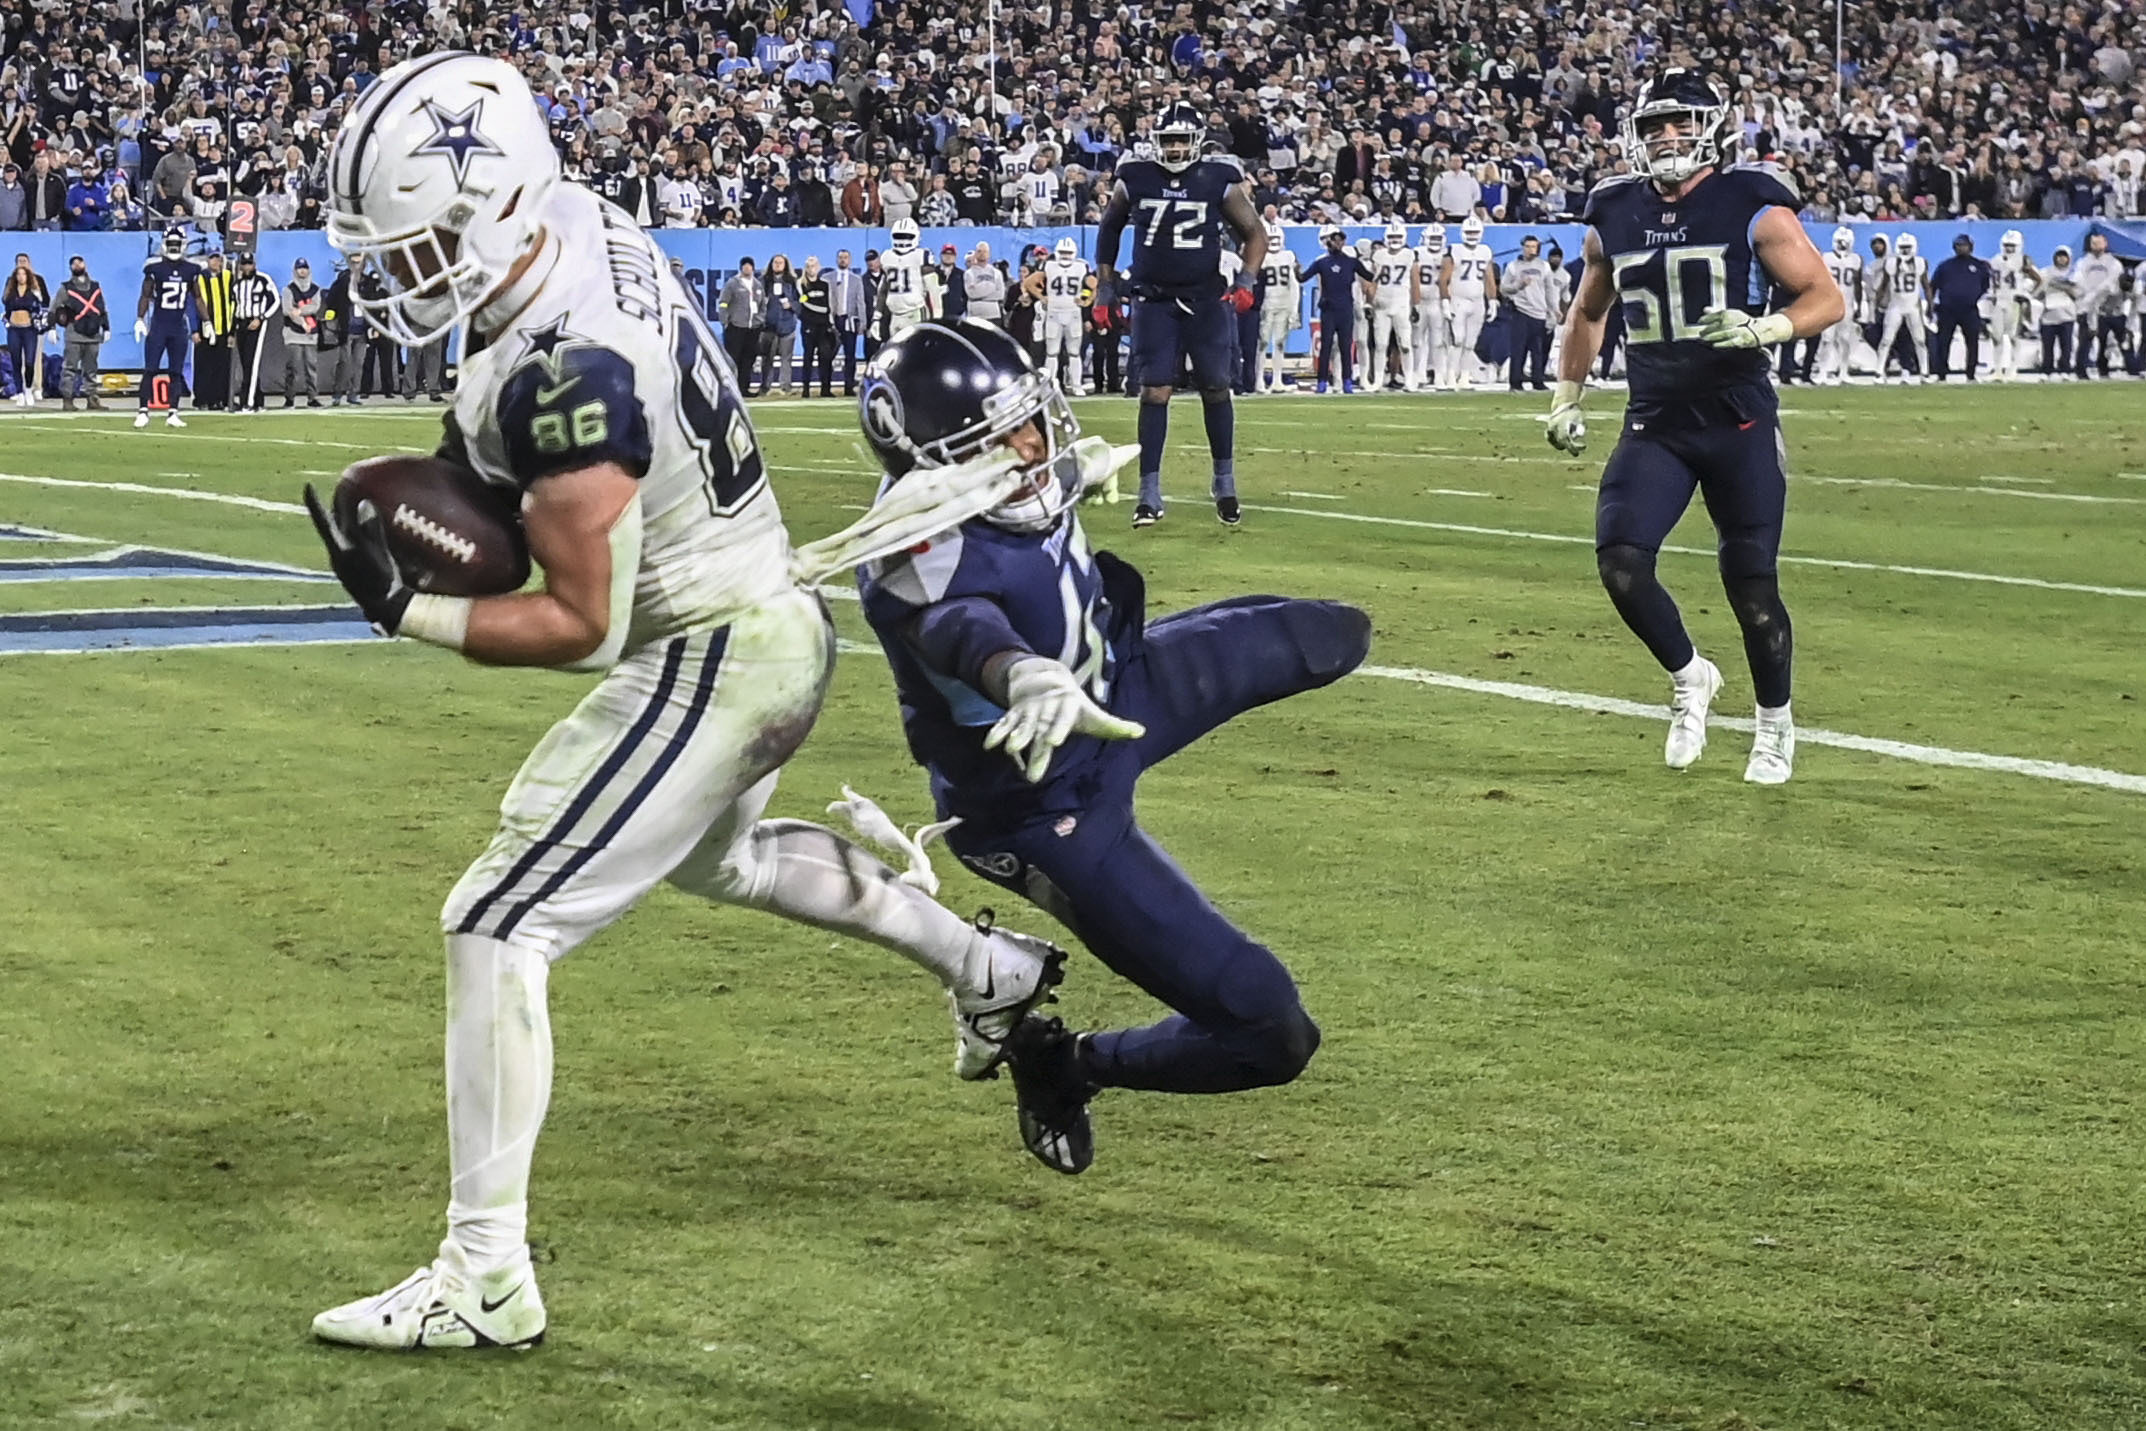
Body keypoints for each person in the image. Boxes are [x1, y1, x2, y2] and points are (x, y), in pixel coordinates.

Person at [303, 53, 1065, 1353]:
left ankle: (482, 1273)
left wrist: (408, 605)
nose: (404, 272)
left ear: (492, 209)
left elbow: (579, 621)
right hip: (764, 612)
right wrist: (463, 475)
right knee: (735, 861)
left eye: (423, 242)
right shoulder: (583, 222)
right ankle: (989, 966)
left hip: (712, 643)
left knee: (495, 918)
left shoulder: (571, 371)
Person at [853, 320, 1372, 1174]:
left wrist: (1069, 469)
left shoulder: (1005, 477)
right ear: (940, 468)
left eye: (1033, 421)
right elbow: (960, 628)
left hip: (1118, 692)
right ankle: (1069, 1062)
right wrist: (1019, 674)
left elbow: (1034, 496)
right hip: (1043, 805)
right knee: (1272, 1030)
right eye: (1004, 438)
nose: (1034, 443)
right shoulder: (915, 555)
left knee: (1331, 636)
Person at [1545, 69, 1843, 786]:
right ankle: (1690, 676)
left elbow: (1824, 297)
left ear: (1713, 128)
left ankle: (1775, 724)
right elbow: (1589, 311)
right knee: (1621, 560)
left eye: (1681, 124)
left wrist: (1770, 325)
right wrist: (1566, 394)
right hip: (1656, 419)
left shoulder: (1752, 203)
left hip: (1736, 417)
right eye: (1655, 127)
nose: (1668, 138)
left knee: (1750, 585)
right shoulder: (1613, 209)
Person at [1094, 101, 1264, 529]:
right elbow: (1109, 228)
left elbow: (1254, 232)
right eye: (1166, 141)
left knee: (1216, 386)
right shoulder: (1134, 177)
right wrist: (1105, 286)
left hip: (1205, 299)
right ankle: (1150, 492)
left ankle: (1224, 483)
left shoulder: (1217, 178)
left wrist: (1245, 281)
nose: (1172, 149)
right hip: (1154, 299)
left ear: (1196, 142)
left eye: (1179, 141)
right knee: (1155, 391)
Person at [135, 230, 198, 428]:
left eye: (176, 243)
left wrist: (204, 322)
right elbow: (145, 295)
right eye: (170, 243)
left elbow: (197, 298)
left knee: (176, 372)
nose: (173, 247)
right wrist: (139, 318)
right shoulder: (155, 269)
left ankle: (173, 412)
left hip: (178, 326)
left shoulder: (191, 269)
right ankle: (143, 410)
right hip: (159, 325)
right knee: (151, 369)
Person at [1301, 225, 1369, 394]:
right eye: (1334, 241)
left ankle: (1347, 381)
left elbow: (1369, 276)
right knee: (1326, 347)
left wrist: (1381, 270)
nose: (1337, 244)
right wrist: (1295, 268)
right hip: (1329, 309)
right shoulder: (1322, 262)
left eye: (1340, 241)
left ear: (1344, 242)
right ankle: (1322, 382)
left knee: (1346, 347)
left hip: (1345, 308)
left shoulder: (1351, 261)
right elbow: (1303, 277)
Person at [1441, 216, 1498, 388]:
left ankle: (1464, 376)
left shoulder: (1485, 251)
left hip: (1477, 300)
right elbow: (1443, 279)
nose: (1472, 235)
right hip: (1458, 299)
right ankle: (1451, 375)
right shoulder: (1454, 250)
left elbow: (1489, 278)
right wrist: (1445, 300)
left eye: (1475, 232)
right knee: (1457, 339)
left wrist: (1493, 300)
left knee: (1470, 342)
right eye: (1469, 232)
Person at [46, 254, 108, 411]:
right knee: (69, 369)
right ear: (70, 268)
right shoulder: (66, 288)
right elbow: (54, 309)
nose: (77, 266)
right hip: (74, 333)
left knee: (91, 369)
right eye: (74, 264)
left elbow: (101, 308)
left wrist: (106, 327)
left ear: (85, 265)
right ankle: (68, 399)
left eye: (79, 263)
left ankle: (92, 399)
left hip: (93, 334)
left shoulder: (95, 287)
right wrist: (52, 328)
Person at [1366, 223, 1420, 392]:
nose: (1394, 240)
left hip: (1401, 303)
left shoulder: (1409, 255)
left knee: (1405, 344)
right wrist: (1369, 301)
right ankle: (1378, 380)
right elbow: (1373, 280)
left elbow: (1414, 281)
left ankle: (1410, 379)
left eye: (1397, 237)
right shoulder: (1379, 256)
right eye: (1391, 237)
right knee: (1380, 345)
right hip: (1381, 304)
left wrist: (1416, 305)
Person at [1929, 234, 1990, 380]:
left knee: (1972, 341)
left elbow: (1985, 286)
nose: (1960, 248)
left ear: (1970, 247)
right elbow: (1933, 286)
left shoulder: (1979, 266)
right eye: (1958, 246)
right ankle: (1941, 373)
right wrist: (1931, 305)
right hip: (1947, 309)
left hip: (1969, 309)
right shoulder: (1945, 266)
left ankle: (1971, 373)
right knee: (1943, 341)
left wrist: (1974, 298)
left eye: (1963, 245)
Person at [229, 253, 281, 411]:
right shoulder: (236, 284)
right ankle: (257, 400)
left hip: (257, 322)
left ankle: (248, 402)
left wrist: (261, 318)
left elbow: (275, 301)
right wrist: (232, 332)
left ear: (254, 264)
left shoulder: (263, 280)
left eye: (249, 264)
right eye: (244, 264)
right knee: (246, 364)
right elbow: (234, 308)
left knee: (252, 362)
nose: (246, 267)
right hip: (241, 322)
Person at [1501, 234, 1552, 392]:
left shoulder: (1544, 266)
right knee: (1518, 349)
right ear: (1522, 247)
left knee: (1538, 350)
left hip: (1539, 311)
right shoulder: (1513, 266)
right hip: (1521, 311)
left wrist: (1553, 311)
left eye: (1534, 246)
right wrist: (1517, 286)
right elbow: (1503, 288)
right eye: (1528, 246)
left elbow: (1550, 290)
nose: (1531, 250)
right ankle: (1515, 382)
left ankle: (1538, 380)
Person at [1875, 234, 1929, 383]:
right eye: (1902, 248)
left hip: (1913, 307)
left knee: (1920, 340)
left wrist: (1930, 305)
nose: (1905, 251)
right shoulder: (1890, 263)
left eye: (1907, 248)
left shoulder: (1920, 263)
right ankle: (1879, 372)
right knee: (1886, 340)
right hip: (1895, 306)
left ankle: (1924, 372)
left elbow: (1926, 286)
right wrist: (1877, 304)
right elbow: (1883, 286)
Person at [1040, 236, 1090, 395]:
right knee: (1052, 352)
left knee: (1074, 352)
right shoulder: (1048, 266)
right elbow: (1032, 282)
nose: (1065, 256)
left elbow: (1091, 284)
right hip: (1054, 311)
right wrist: (1041, 296)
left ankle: (1076, 385)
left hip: (1073, 311)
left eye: (1068, 252)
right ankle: (1049, 386)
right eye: (1062, 252)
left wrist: (1084, 298)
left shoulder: (1081, 267)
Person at [1257, 220, 1302, 393]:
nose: (1274, 240)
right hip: (1267, 303)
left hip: (1283, 302)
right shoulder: (1262, 256)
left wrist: (1294, 309)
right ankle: (1259, 379)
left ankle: (1277, 379)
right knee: (1263, 343)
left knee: (1280, 343)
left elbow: (1294, 283)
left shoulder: (1288, 256)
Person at [1815, 228, 1864, 384]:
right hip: (1829, 303)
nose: (1842, 245)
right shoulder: (1826, 258)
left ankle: (1843, 371)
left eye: (1845, 243)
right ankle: (1823, 371)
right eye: (1840, 242)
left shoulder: (1856, 259)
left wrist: (1859, 304)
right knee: (1827, 339)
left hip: (1847, 304)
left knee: (1844, 339)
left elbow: (1857, 285)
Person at [2072, 233, 2125, 378]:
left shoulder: (2113, 263)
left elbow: (2113, 284)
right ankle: (2081, 370)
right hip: (2086, 306)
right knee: (2085, 340)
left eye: (2099, 243)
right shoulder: (2083, 262)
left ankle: (2107, 368)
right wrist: (2089, 297)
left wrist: (2099, 295)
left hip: (2105, 308)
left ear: (2105, 244)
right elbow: (2078, 281)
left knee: (2105, 340)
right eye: (2093, 243)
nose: (2096, 246)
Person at [1987, 230, 2037, 381]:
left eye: (2012, 245)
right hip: (1998, 300)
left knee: (2013, 336)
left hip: (2014, 301)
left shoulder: (2024, 260)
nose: (2009, 249)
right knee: (1996, 336)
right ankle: (1997, 369)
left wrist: (2028, 293)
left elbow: (2037, 278)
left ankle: (2013, 368)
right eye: (2006, 245)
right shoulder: (1995, 260)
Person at [191, 249, 234, 410]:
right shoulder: (200, 278)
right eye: (213, 259)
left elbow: (233, 303)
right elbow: (193, 303)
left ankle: (220, 399)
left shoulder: (228, 277)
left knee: (222, 366)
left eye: (218, 259)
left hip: (223, 329)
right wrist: (195, 329)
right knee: (204, 366)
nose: (216, 262)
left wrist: (232, 331)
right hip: (205, 329)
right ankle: (202, 399)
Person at [718, 256, 767, 395]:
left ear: (753, 267)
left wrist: (760, 320)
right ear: (741, 268)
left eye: (749, 265)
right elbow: (723, 303)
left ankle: (744, 388)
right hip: (736, 326)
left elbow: (763, 305)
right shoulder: (732, 284)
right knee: (734, 358)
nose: (747, 268)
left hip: (752, 328)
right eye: (744, 265)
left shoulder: (757, 285)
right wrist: (725, 321)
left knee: (748, 359)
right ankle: (731, 389)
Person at [1410, 224, 1450, 391]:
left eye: (1437, 238)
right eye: (1432, 238)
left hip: (1437, 301)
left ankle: (1439, 374)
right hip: (1421, 301)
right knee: (1417, 341)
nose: (1435, 242)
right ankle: (1417, 374)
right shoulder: (1417, 253)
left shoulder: (1448, 255)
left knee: (1438, 342)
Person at [280, 257, 324, 408]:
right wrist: (302, 321)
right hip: (293, 333)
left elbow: (315, 307)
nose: (302, 271)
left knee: (311, 367)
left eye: (304, 268)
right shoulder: (288, 290)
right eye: (299, 268)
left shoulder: (315, 289)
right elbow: (287, 311)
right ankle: (289, 398)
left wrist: (299, 311)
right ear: (295, 270)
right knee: (293, 368)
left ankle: (312, 397)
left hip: (310, 334)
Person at [3, 254, 46, 406]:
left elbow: (41, 305)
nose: (21, 277)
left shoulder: (34, 290)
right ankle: (19, 391)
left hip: (29, 330)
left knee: (29, 361)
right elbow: (6, 306)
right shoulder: (10, 291)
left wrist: (45, 325)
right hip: (14, 329)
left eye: (23, 274)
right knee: (15, 361)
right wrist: (6, 321)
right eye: (18, 274)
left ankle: (29, 388)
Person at [878, 219, 932, 339]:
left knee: (915, 349)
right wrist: (877, 317)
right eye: (899, 236)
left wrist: (937, 315)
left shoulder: (921, 255)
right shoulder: (887, 256)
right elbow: (883, 289)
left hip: (915, 312)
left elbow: (933, 290)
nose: (903, 240)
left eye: (907, 236)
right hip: (895, 314)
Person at [826, 249, 866, 395]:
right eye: (840, 257)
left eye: (846, 257)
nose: (843, 260)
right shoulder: (827, 278)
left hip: (849, 320)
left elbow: (860, 302)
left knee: (850, 355)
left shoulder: (856, 279)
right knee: (828, 354)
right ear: (836, 260)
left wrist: (862, 322)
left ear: (850, 260)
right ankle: (826, 387)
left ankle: (849, 387)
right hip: (833, 320)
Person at [797, 254, 836, 397]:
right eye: (808, 266)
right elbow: (804, 303)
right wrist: (822, 310)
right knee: (808, 357)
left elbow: (829, 304)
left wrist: (830, 320)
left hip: (823, 326)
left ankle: (825, 389)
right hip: (808, 326)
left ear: (818, 267)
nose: (811, 269)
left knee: (825, 358)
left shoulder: (825, 285)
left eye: (813, 266)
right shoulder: (801, 284)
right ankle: (805, 389)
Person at [2037, 246, 2080, 376]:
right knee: (2047, 346)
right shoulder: (2045, 272)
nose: (2061, 259)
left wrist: (2062, 286)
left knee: (2066, 346)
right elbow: (2037, 290)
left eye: (2064, 256)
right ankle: (2047, 370)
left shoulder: (2075, 273)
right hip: (2048, 315)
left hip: (2067, 315)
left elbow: (2078, 293)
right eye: (2059, 256)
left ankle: (2065, 370)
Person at [762, 253, 800, 395]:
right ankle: (765, 387)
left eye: (780, 262)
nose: (777, 264)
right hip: (768, 326)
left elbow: (801, 300)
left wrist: (792, 305)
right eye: (775, 262)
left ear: (785, 265)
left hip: (787, 325)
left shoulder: (792, 282)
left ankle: (785, 386)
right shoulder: (763, 281)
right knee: (767, 358)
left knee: (786, 358)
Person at [963, 243, 1008, 328]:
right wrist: (992, 287)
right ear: (975, 254)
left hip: (994, 315)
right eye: (979, 251)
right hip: (975, 315)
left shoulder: (997, 273)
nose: (982, 253)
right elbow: (972, 294)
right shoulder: (969, 273)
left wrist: (979, 290)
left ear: (989, 254)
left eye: (985, 251)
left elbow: (1000, 294)